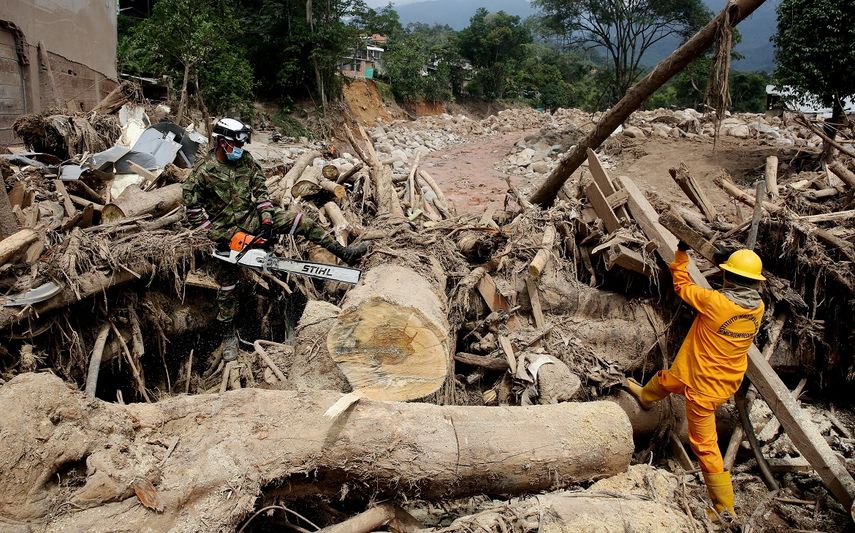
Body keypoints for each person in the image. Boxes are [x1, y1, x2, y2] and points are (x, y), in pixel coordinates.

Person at [183, 118, 367, 361]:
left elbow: (260, 191)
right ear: (221, 142)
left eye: (241, 144)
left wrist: (267, 217)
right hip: (227, 232)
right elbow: (193, 211)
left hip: (253, 218)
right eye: (234, 144)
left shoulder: (246, 161)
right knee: (227, 286)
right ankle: (228, 335)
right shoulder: (203, 172)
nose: (239, 149)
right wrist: (221, 236)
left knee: (301, 221)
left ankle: (344, 253)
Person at [625, 243, 766, 519]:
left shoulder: (716, 304)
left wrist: (681, 255)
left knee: (705, 446)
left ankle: (724, 506)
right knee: (671, 379)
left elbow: (682, 285)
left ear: (729, 278)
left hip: (703, 388)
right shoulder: (758, 308)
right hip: (724, 379)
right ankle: (646, 395)